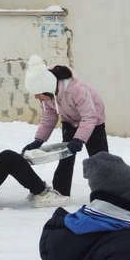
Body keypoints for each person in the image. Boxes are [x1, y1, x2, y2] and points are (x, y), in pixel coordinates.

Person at [21, 55, 107, 196]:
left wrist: (79, 139)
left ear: (46, 88)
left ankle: (107, 193)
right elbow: (49, 116)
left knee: (99, 158)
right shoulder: (47, 94)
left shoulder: (75, 88)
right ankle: (61, 192)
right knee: (65, 156)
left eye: (37, 94)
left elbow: (89, 116)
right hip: (70, 120)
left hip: (93, 119)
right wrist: (39, 140)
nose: (36, 97)